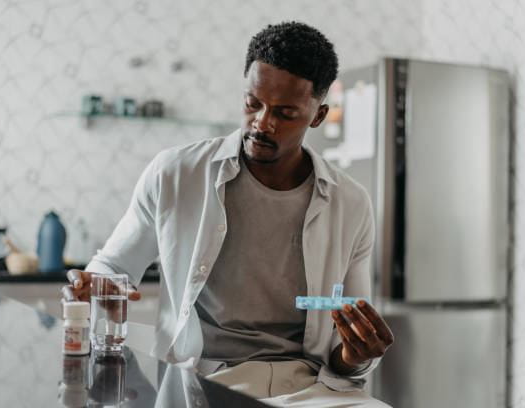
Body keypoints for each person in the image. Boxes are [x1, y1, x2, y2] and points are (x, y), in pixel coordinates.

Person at [64, 21, 394, 407]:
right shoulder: (175, 173)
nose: (262, 123)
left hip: (311, 387)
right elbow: (112, 269)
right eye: (253, 103)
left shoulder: (350, 204)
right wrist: (90, 284)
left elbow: (344, 354)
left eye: (285, 113)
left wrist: (357, 356)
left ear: (318, 115)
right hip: (206, 381)